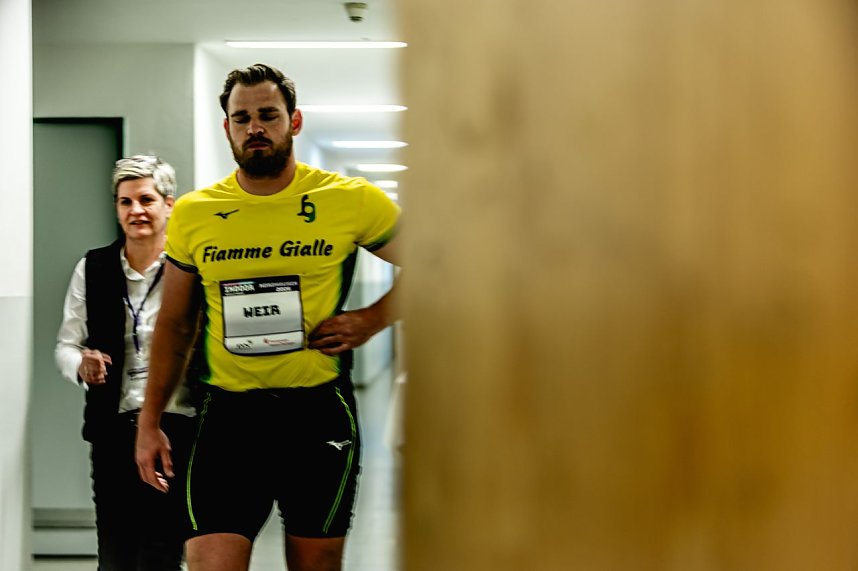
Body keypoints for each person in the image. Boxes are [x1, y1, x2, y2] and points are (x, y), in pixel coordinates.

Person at [135, 63, 401, 571]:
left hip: (317, 415)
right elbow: (175, 324)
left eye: (268, 115)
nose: (255, 127)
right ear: (227, 128)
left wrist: (373, 318)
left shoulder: (348, 199)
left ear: (293, 122)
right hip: (228, 419)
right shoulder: (195, 212)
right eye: (242, 118)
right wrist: (150, 422)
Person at [55, 155, 198, 570]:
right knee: (115, 553)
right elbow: (66, 345)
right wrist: (80, 364)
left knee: (162, 552)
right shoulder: (94, 267)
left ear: (169, 204)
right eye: (125, 202)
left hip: (178, 424)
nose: (136, 210)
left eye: (146, 199)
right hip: (113, 428)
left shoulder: (190, 267)